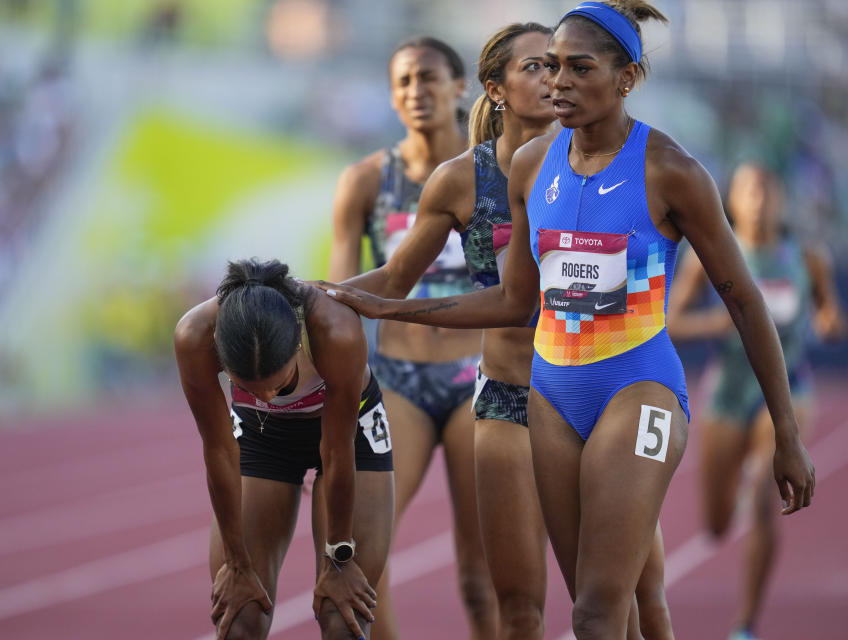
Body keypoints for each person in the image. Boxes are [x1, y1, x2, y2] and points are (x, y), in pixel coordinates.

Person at [316, 2, 816, 638]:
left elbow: (743, 299)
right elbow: (512, 302)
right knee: (596, 609)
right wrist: (388, 305)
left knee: (602, 608)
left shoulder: (672, 171)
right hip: (550, 397)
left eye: (580, 68)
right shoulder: (531, 167)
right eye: (551, 67)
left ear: (626, 78)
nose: (559, 82)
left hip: (639, 386)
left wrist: (787, 432)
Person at [329, 21, 673, 640]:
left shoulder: (601, 163)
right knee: (518, 605)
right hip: (509, 393)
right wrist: (323, 298)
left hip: (604, 392)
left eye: (564, 65)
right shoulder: (464, 178)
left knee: (642, 600)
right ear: (495, 88)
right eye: (538, 66)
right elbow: (398, 275)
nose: (555, 78)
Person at [327, 36, 494, 638]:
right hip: (398, 382)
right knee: (361, 560)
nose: (415, 92)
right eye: (402, 82)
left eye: (428, 78)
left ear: (458, 88)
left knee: (482, 576)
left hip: (482, 380)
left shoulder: (497, 171)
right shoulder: (367, 182)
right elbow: (340, 298)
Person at [668, 163, 845, 640]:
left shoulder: (807, 258)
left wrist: (829, 321)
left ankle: (744, 626)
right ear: (733, 203)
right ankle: (741, 488)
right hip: (726, 394)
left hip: (787, 392)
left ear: (782, 201)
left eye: (769, 189)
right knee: (717, 524)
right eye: (751, 190)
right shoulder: (711, 256)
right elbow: (669, 322)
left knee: (766, 497)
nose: (761, 199)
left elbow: (830, 312)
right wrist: (713, 326)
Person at [173, 258, 395, 640]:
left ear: (297, 344)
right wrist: (237, 562)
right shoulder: (195, 336)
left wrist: (338, 557)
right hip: (263, 434)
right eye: (249, 386)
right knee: (239, 619)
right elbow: (220, 452)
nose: (268, 395)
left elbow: (337, 453)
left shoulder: (335, 328)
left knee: (343, 619)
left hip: (347, 432)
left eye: (281, 384)